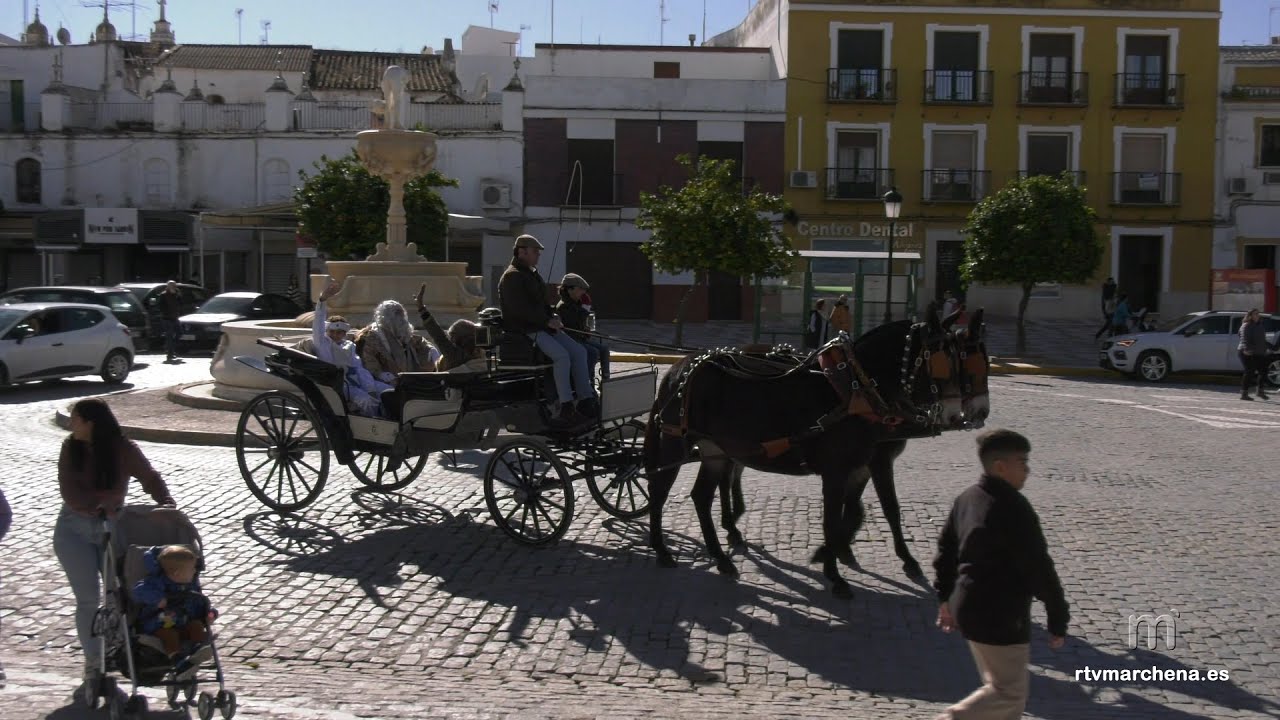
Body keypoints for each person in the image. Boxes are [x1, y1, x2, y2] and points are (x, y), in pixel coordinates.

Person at [933, 429, 1069, 720]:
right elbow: (1039, 567)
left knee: (999, 696)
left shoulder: (968, 498)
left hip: (968, 606)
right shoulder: (1013, 508)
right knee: (1008, 694)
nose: (1028, 470)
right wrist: (1058, 616)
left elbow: (946, 552)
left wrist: (945, 598)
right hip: (999, 614)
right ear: (1000, 466)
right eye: (1023, 462)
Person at [54, 398, 177, 701]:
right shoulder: (71, 448)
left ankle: (119, 654)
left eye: (76, 418)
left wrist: (166, 503)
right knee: (87, 600)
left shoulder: (123, 449)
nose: (72, 424)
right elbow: (70, 491)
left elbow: (149, 477)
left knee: (117, 597)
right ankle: (93, 664)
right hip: (74, 530)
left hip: (112, 528)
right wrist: (102, 502)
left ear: (91, 422)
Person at [498, 234, 598, 425]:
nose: (538, 256)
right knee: (562, 356)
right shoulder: (512, 276)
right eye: (535, 252)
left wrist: (553, 316)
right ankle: (565, 406)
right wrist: (546, 321)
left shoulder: (531, 274)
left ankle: (586, 399)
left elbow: (541, 304)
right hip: (524, 330)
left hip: (542, 326)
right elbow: (520, 309)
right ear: (522, 252)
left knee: (579, 351)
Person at [309, 279, 394, 417]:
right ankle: (372, 426)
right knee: (367, 401)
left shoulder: (349, 346)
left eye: (340, 332)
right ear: (328, 331)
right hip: (339, 384)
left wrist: (371, 387)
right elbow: (318, 323)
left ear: (344, 333)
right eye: (333, 332)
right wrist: (322, 300)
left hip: (356, 381)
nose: (336, 335)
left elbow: (359, 369)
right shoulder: (323, 343)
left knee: (389, 391)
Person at [131, 545, 217, 680]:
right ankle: (177, 659)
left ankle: (198, 648)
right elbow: (138, 591)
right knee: (169, 635)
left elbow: (199, 603)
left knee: (196, 625)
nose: (195, 571)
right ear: (177, 573)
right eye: (191, 569)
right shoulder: (156, 583)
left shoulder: (191, 584)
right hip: (158, 624)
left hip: (185, 622)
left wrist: (209, 614)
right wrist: (158, 599)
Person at [356, 299, 441, 382]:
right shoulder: (372, 336)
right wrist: (379, 374)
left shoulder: (404, 332)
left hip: (408, 380)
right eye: (396, 313)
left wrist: (431, 350)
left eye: (401, 313)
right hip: (384, 381)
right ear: (385, 317)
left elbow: (419, 341)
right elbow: (368, 358)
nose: (400, 317)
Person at [414, 285, 488, 372]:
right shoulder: (484, 355)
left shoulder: (455, 356)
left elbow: (439, 336)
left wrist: (421, 309)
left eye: (451, 337)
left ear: (455, 338)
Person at [556, 273, 610, 384]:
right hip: (571, 341)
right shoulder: (564, 306)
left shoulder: (575, 303)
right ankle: (585, 381)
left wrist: (585, 330)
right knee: (592, 352)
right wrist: (586, 307)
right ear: (570, 289)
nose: (583, 293)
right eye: (580, 289)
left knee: (604, 349)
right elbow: (574, 323)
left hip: (580, 339)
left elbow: (579, 324)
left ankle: (606, 380)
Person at [1238, 308, 1270, 402]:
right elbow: (1244, 338)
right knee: (1250, 371)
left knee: (1264, 371)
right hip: (1245, 352)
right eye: (1255, 314)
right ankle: (1244, 393)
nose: (1257, 315)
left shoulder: (1260, 325)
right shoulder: (1246, 325)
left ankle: (1260, 391)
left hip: (1258, 352)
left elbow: (1262, 340)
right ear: (1250, 316)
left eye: (1258, 314)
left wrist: (1267, 348)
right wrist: (1246, 349)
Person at [154, 280, 183, 362]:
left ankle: (170, 348)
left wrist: (179, 296)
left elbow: (181, 304)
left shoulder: (177, 294)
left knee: (179, 333)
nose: (173, 287)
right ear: (168, 286)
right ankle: (170, 354)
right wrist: (165, 313)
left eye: (174, 285)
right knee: (169, 336)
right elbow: (160, 306)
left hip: (175, 317)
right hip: (167, 318)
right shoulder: (164, 295)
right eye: (171, 285)